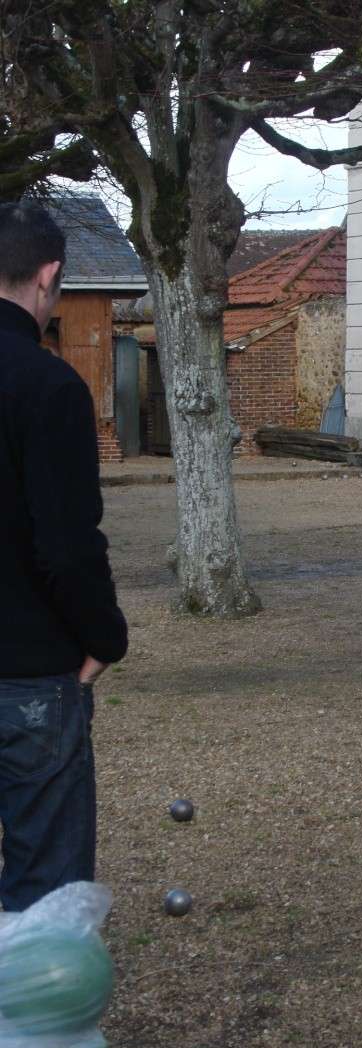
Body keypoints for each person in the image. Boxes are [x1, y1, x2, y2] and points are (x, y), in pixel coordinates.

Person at [0, 201, 128, 911]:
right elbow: (67, 544)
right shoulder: (47, 385)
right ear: (48, 276)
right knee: (44, 901)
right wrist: (104, 635)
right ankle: (28, 1023)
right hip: (27, 675)